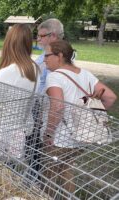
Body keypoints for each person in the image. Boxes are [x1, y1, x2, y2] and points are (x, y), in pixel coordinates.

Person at [42, 40, 117, 199]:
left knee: (50, 175)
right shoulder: (85, 74)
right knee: (66, 169)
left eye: (47, 55)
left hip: (59, 138)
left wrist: (48, 133)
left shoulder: (54, 77)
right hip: (80, 136)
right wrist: (92, 113)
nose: (44, 59)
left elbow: (57, 107)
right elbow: (110, 97)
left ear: (60, 56)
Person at [0, 24, 39, 166]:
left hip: (2, 135)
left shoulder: (6, 72)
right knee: (12, 174)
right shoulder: (35, 69)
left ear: (9, 43)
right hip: (20, 133)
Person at [25, 18, 65, 183]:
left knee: (50, 159)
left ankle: (41, 184)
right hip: (38, 108)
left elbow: (55, 98)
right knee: (34, 147)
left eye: (42, 36)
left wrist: (49, 127)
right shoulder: (44, 56)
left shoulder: (60, 59)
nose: (38, 40)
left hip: (50, 114)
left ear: (53, 36)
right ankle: (33, 175)